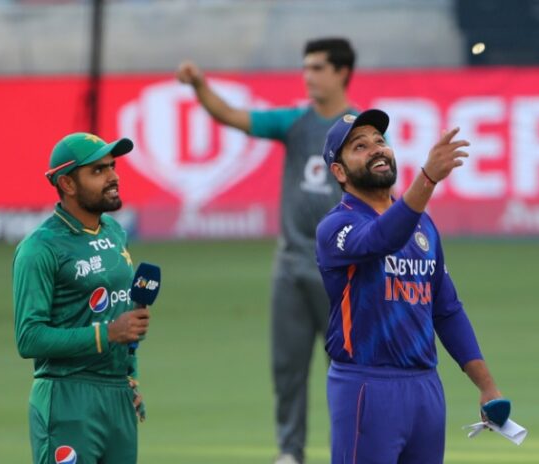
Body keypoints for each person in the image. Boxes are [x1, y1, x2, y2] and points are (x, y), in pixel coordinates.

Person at [177, 38, 357, 464]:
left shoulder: (362, 131)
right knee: (287, 370)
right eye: (306, 67)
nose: (308, 75)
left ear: (341, 72)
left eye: (317, 67)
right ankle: (290, 453)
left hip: (344, 273)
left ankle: (350, 451)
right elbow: (234, 117)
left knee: (351, 372)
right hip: (292, 267)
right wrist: (200, 86)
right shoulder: (296, 122)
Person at [315, 109, 506, 463]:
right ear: (339, 172)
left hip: (425, 389)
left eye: (380, 142)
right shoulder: (336, 227)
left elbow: (446, 310)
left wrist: (486, 386)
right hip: (367, 387)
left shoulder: (423, 226)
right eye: (360, 146)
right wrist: (428, 179)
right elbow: (380, 238)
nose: (376, 149)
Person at [13, 132, 151, 464]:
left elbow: (121, 312)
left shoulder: (115, 232)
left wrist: (128, 375)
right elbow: (29, 338)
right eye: (98, 171)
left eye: (112, 167)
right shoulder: (39, 249)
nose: (114, 177)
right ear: (68, 184)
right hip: (67, 398)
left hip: (117, 398)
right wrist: (108, 334)